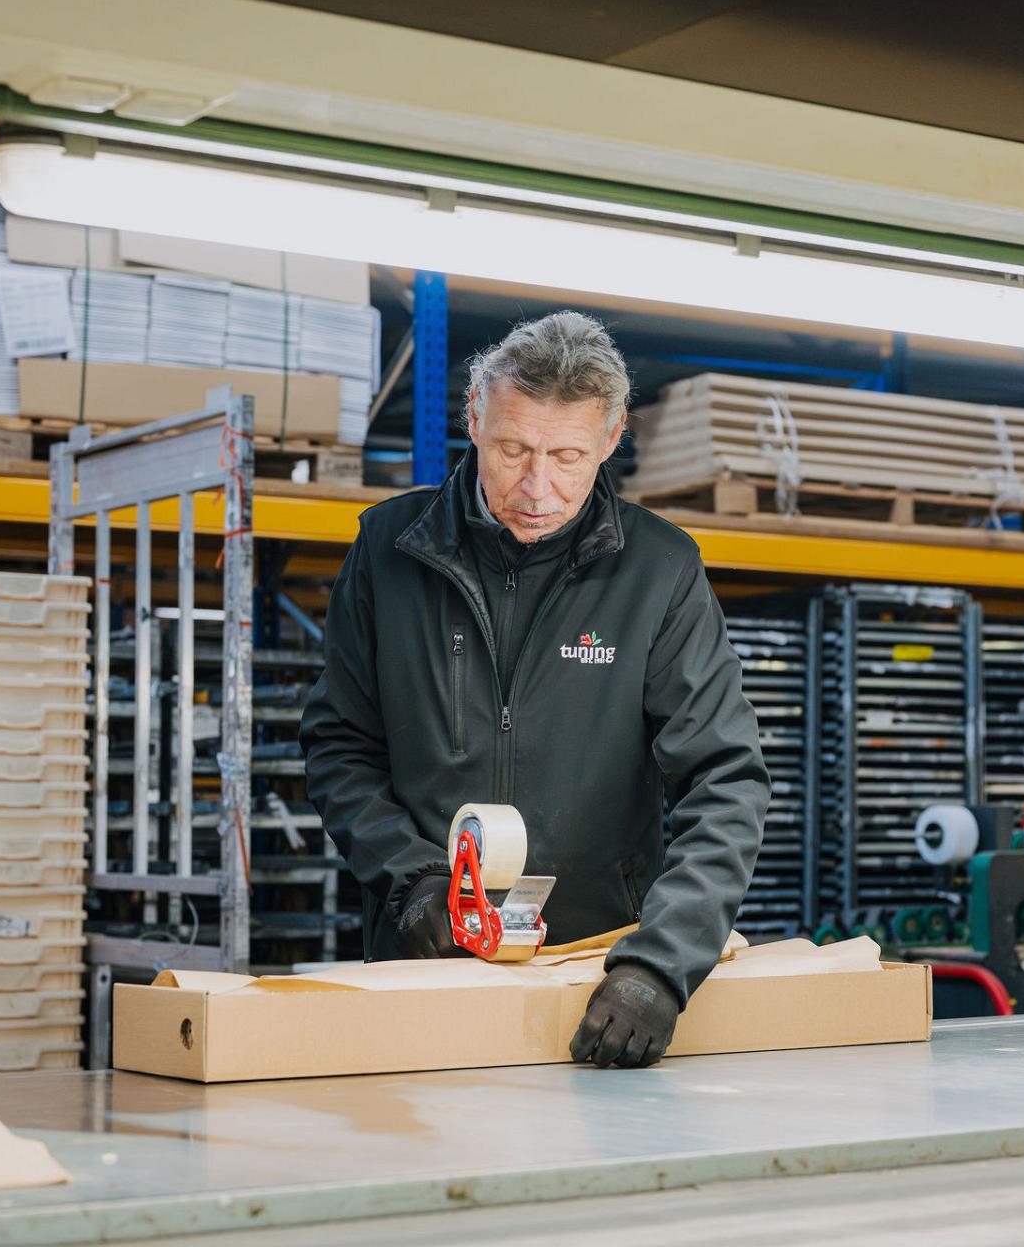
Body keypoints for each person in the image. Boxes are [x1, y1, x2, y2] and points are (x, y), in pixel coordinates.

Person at [301, 311, 767, 1069]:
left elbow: (726, 781)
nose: (537, 487)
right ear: (475, 419)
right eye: (513, 449)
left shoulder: (661, 572)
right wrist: (413, 881)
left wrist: (659, 967)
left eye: (568, 456)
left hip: (594, 977)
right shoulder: (389, 552)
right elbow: (338, 749)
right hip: (425, 967)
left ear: (612, 440)